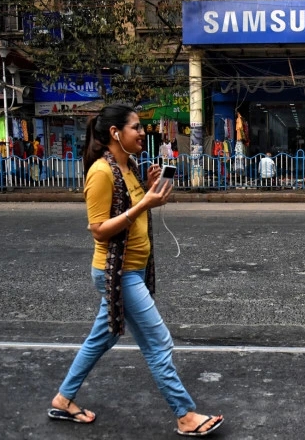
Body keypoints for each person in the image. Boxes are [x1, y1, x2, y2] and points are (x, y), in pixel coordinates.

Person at [47, 104, 224, 436]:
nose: (143, 132)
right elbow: (98, 228)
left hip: (135, 269)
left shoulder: (126, 167)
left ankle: (63, 398)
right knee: (158, 342)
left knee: (104, 335)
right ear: (116, 133)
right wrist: (144, 203)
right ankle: (185, 415)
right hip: (118, 273)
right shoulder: (100, 172)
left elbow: (129, 208)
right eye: (136, 127)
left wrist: (147, 188)